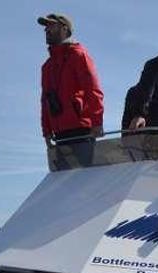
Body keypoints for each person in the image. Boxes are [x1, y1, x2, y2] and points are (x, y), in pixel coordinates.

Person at [38, 13, 104, 169]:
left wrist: (97, 122)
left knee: (85, 181)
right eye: (45, 27)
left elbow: (93, 89)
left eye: (51, 25)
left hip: (81, 130)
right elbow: (44, 100)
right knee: (66, 183)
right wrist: (46, 131)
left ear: (64, 28)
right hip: (59, 133)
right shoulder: (47, 66)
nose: (47, 30)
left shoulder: (78, 55)